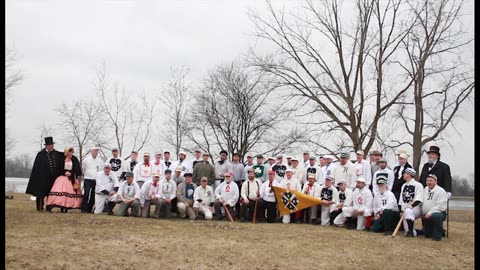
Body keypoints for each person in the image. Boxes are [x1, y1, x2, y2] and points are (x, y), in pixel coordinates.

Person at [26, 136, 64, 211]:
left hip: (53, 178)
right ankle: (40, 208)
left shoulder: (56, 154)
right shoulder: (41, 154)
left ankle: (49, 207)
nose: (51, 146)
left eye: (52, 145)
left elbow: (65, 157)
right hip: (42, 178)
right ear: (46, 146)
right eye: (50, 145)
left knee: (51, 194)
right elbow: (36, 168)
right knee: (40, 194)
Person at [46, 146, 83, 213]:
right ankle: (59, 205)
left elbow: (77, 169)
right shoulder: (62, 159)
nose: (71, 153)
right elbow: (58, 169)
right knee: (60, 191)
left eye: (71, 152)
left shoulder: (74, 159)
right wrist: (64, 172)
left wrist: (71, 173)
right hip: (62, 178)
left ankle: (67, 206)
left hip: (71, 178)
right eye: (69, 152)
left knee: (70, 191)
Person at [421, 174, 448, 241]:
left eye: (431, 180)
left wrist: (429, 213)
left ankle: (437, 236)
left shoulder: (441, 191)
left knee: (436, 216)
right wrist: (422, 212)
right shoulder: (425, 189)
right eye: (427, 181)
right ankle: (441, 231)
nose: (429, 182)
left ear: (436, 182)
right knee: (427, 235)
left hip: (439, 213)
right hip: (427, 215)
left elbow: (440, 206)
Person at [399, 168, 424, 237]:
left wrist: (411, 206)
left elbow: (419, 199)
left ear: (409, 175)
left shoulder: (418, 185)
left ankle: (411, 232)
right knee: (406, 230)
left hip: (416, 208)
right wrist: (401, 210)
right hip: (406, 209)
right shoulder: (403, 185)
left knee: (408, 211)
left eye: (404, 173)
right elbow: (402, 199)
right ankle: (415, 232)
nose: (403, 174)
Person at [81, 146, 104, 213]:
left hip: (95, 180)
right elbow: (83, 169)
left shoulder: (100, 161)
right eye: (94, 151)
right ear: (91, 152)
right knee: (86, 194)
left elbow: (101, 171)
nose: (95, 152)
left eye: (97, 151)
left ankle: (89, 209)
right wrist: (85, 175)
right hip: (88, 179)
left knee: (93, 195)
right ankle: (84, 208)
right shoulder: (86, 160)